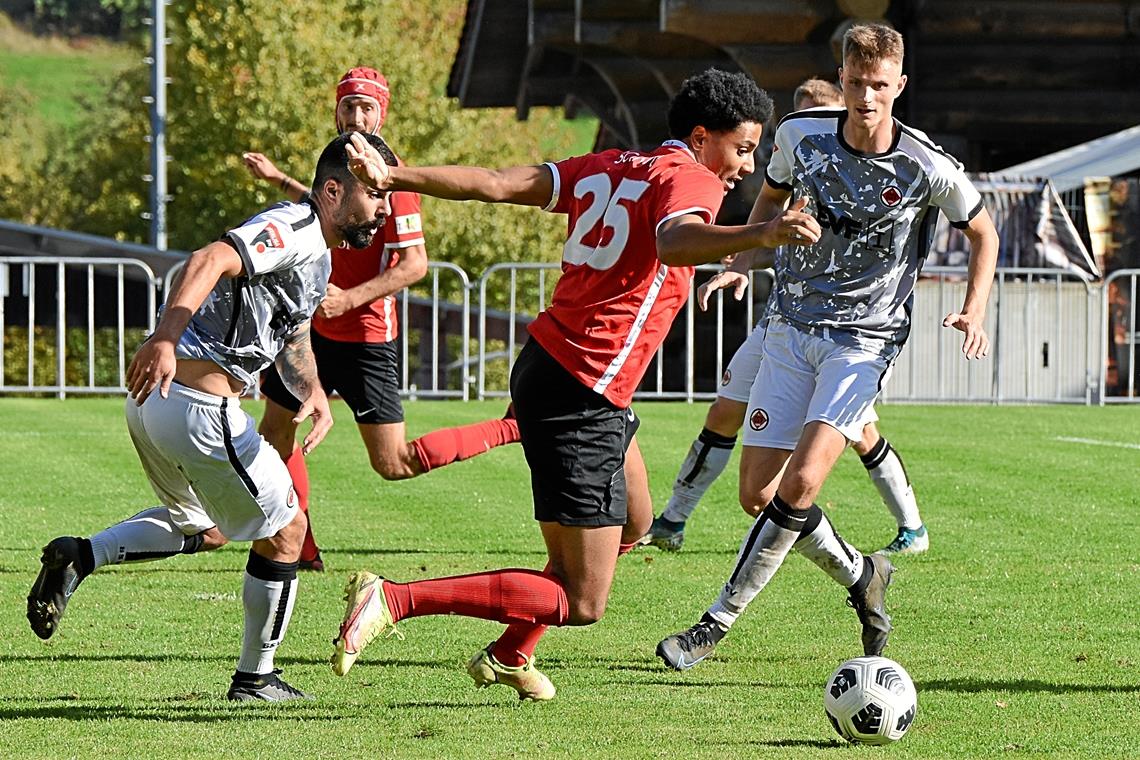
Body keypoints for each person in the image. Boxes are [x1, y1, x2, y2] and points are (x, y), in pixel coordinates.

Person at [327, 68, 819, 700]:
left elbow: (499, 184)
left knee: (636, 525)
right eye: (743, 148)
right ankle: (393, 599)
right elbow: (673, 241)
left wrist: (396, 176)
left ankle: (508, 654)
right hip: (582, 391)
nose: (747, 168)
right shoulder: (688, 178)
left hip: (559, 371)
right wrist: (762, 233)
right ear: (701, 137)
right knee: (581, 598)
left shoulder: (613, 163)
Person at [655, 23, 998, 672]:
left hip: (861, 345)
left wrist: (974, 308)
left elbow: (984, 232)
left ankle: (713, 624)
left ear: (898, 85)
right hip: (788, 329)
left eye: (878, 86)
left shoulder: (926, 164)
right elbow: (773, 199)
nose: (866, 97)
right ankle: (864, 575)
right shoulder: (798, 135)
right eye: (855, 83)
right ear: (840, 81)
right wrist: (744, 256)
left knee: (806, 480)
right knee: (759, 495)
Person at [26, 133, 393, 702]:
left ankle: (81, 554)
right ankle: (256, 677)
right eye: (374, 193)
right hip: (197, 403)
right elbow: (211, 258)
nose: (384, 206)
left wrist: (314, 390)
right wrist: (166, 337)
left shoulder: (317, 253)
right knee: (288, 528)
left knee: (207, 528)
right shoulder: (296, 226)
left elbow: (290, 330)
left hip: (156, 405)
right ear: (332, 190)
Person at [242, 67, 521, 572]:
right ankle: (300, 546)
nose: (356, 116)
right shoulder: (330, 163)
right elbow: (322, 205)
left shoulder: (396, 177)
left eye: (367, 107)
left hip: (367, 337)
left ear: (382, 114)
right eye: (348, 106)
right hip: (312, 328)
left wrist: (349, 300)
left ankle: (512, 428)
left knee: (394, 463)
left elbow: (415, 265)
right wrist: (279, 179)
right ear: (336, 111)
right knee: (275, 432)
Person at [640, 74, 929, 557]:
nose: (793, 131)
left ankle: (910, 528)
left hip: (847, 333)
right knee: (724, 411)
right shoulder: (794, 162)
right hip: (783, 321)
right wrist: (740, 265)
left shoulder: (864, 168)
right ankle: (673, 519)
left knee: (862, 435)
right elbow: (769, 211)